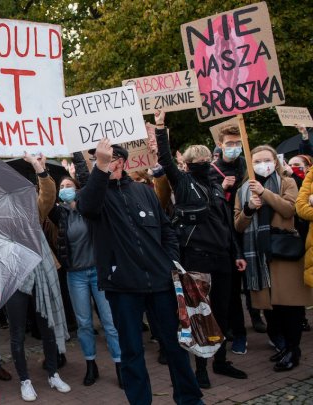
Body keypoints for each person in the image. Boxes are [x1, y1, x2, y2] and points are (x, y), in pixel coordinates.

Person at [77, 138, 203, 405]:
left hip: (160, 284)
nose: (98, 164)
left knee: (175, 347)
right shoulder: (96, 195)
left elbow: (167, 230)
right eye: (95, 160)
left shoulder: (143, 191)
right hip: (122, 287)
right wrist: (99, 167)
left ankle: (189, 399)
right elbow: (87, 206)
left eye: (105, 158)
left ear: (120, 162)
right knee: (132, 351)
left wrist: (168, 262)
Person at [154, 110, 247, 388]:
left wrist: (237, 253)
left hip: (223, 257)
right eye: (199, 159)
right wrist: (160, 127)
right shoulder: (183, 183)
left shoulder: (216, 184)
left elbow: (226, 223)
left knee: (222, 311)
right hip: (196, 258)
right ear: (189, 164)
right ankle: (201, 368)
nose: (205, 161)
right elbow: (165, 160)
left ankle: (221, 361)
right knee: (199, 313)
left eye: (208, 157)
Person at [234, 145, 313, 371]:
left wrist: (264, 193)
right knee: (273, 307)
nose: (263, 164)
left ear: (275, 162)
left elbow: (290, 209)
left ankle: (293, 348)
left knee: (291, 306)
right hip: (259, 254)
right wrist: (249, 208)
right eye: (257, 161)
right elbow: (238, 224)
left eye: (266, 160)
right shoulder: (244, 189)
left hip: (284, 252)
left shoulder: (287, 182)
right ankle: (284, 346)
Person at [5, 153, 70, 402]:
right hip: (15, 276)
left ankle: (53, 373)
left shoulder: (34, 207)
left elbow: (48, 195)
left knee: (48, 326)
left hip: (41, 271)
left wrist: (39, 169)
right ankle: (25, 380)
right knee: (18, 332)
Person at [49, 173, 122, 388]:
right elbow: (45, 196)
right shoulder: (59, 214)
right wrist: (41, 170)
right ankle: (91, 364)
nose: (65, 188)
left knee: (109, 323)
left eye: (69, 185)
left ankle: (120, 365)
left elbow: (94, 183)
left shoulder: (90, 209)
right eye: (62, 186)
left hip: (98, 272)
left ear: (78, 188)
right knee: (84, 324)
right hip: (76, 275)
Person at [210, 125, 266, 344]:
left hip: (248, 228)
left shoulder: (246, 166)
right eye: (230, 143)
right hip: (226, 233)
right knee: (232, 286)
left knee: (253, 278)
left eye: (237, 143)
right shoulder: (212, 171)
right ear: (220, 144)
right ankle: (233, 325)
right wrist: (221, 188)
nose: (234, 147)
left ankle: (256, 316)